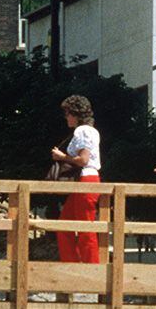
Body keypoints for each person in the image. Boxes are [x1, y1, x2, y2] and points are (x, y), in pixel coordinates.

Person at [52, 95, 102, 264]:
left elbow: (83, 160)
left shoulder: (82, 131)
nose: (66, 117)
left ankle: (89, 270)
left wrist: (62, 156)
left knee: (83, 228)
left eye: (67, 113)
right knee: (67, 225)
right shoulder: (90, 131)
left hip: (85, 180)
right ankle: (75, 267)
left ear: (76, 114)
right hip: (87, 180)